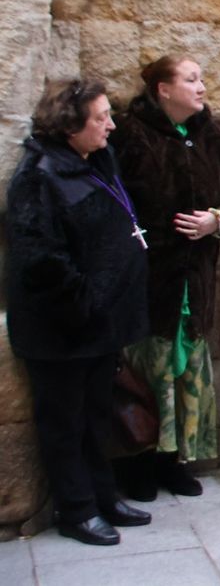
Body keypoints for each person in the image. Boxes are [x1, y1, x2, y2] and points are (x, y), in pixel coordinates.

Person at [5, 79, 151, 545]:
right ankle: (77, 509)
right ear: (71, 125)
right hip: (63, 329)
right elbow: (40, 260)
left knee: (95, 414)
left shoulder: (95, 159)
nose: (111, 124)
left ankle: (103, 496)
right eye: (101, 117)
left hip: (98, 324)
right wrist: (85, 304)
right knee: (64, 422)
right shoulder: (39, 176)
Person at [113, 56, 220, 500]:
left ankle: (173, 463)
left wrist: (218, 220)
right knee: (148, 371)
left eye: (202, 78)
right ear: (163, 90)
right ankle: (137, 466)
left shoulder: (212, 134)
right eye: (191, 79)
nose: (202, 87)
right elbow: (115, 204)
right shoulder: (130, 136)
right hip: (151, 280)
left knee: (187, 372)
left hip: (197, 281)